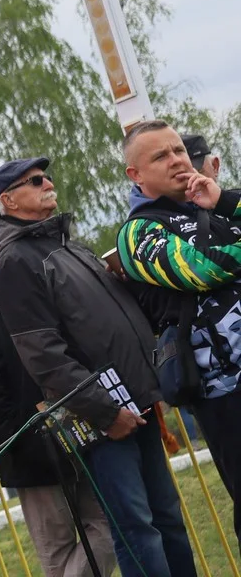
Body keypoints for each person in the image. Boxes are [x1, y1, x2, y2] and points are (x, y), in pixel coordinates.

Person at [0, 156, 196, 577]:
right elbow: (43, 354)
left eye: (46, 175)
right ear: (8, 200)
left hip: (135, 401)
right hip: (104, 418)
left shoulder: (63, 244)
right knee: (138, 529)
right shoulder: (16, 261)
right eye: (34, 180)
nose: (47, 182)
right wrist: (105, 412)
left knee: (167, 518)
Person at [116, 120, 241, 549]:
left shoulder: (214, 203)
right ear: (136, 174)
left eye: (178, 151)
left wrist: (223, 200)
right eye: (161, 156)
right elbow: (199, 270)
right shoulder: (137, 232)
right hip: (226, 391)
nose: (176, 160)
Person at [0, 240, 116, 577]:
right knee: (56, 553)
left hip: (82, 441)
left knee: (108, 529)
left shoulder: (52, 305)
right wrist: (31, 436)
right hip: (30, 456)